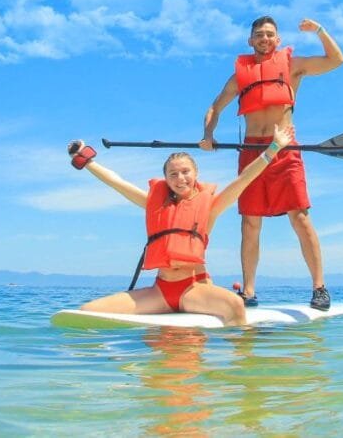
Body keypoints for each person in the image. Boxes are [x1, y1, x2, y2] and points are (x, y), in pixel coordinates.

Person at [66, 123, 294, 327]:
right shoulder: (153, 205)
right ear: (166, 179)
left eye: (185, 172)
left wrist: (274, 148)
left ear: (196, 174)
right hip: (160, 290)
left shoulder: (210, 207)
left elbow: (244, 179)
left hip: (193, 288)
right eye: (173, 174)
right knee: (87, 312)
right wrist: (86, 160)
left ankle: (242, 362)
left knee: (235, 305)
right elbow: (118, 182)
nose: (180, 178)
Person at [199, 16, 343, 310]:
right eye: (259, 35)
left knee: (300, 218)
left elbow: (335, 60)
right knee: (250, 222)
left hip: (284, 149)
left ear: (277, 40)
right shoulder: (240, 75)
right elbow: (215, 105)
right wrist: (208, 134)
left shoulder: (292, 65)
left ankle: (319, 288)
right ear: (250, 41)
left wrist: (318, 30)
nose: (265, 39)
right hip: (251, 150)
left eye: (269, 34)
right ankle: (249, 292)